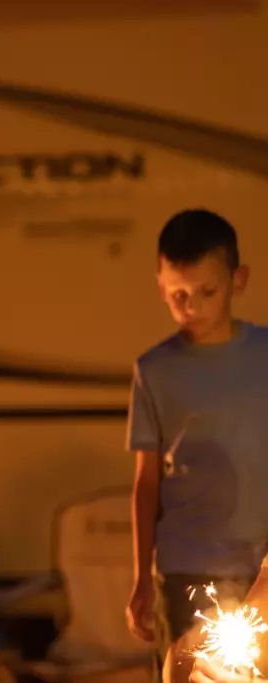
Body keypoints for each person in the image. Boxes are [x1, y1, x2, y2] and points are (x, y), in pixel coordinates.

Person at [125, 209, 268, 683]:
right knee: (185, 672)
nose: (193, 307)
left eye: (207, 292)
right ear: (161, 287)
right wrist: (142, 578)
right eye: (178, 296)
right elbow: (146, 484)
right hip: (185, 565)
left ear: (237, 280)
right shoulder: (154, 371)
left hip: (261, 561)